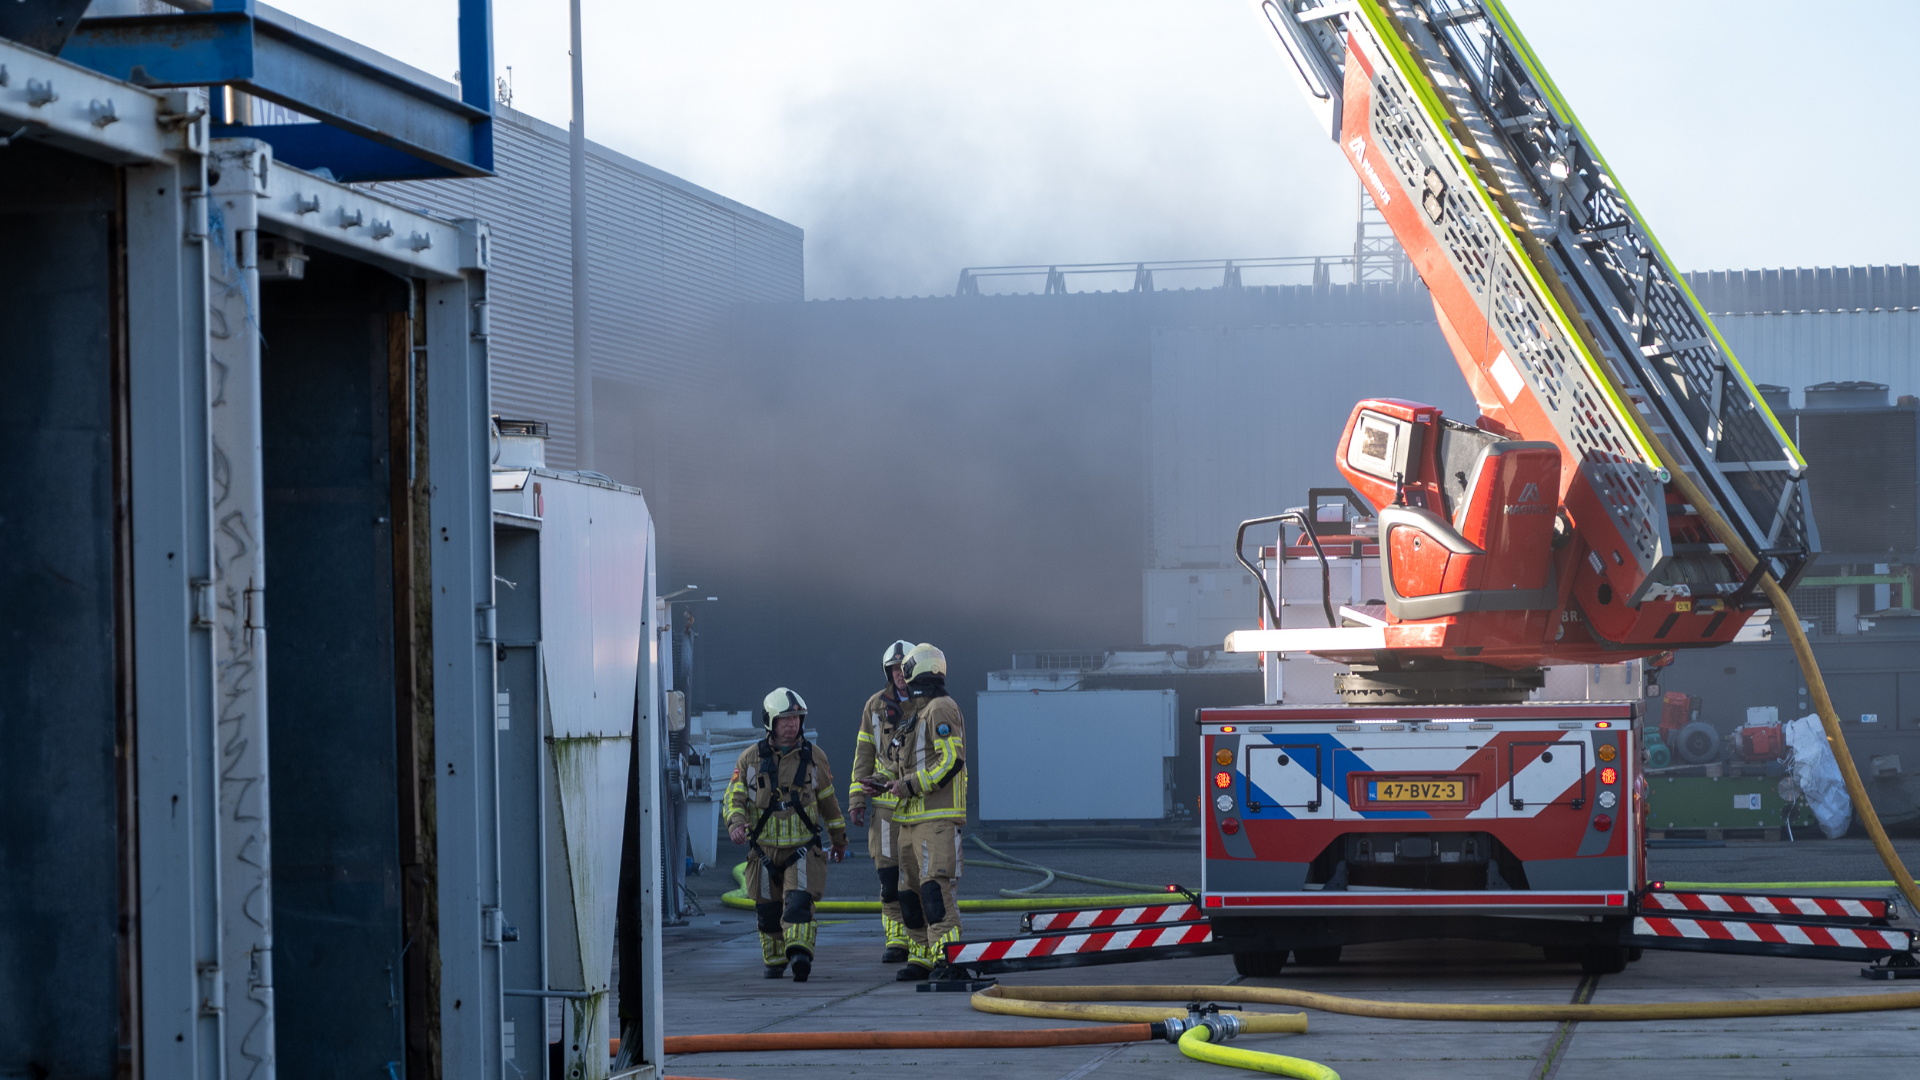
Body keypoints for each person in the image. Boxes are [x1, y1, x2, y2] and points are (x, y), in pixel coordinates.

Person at [725, 688, 848, 981]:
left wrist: (839, 839)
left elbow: (829, 803)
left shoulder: (815, 757)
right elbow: (734, 797)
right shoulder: (750, 760)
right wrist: (735, 824)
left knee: (798, 904)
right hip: (763, 852)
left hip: (803, 850)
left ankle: (800, 956)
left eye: (796, 717)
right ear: (771, 721)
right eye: (785, 718)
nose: (792, 724)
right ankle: (776, 959)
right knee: (768, 913)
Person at [872, 643, 968, 981]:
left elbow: (951, 760)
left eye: (906, 668)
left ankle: (949, 958)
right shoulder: (916, 713)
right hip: (909, 819)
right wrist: (881, 783)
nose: (902, 674)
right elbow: (901, 765)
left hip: (936, 819)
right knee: (908, 895)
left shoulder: (941, 708)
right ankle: (922, 955)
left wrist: (910, 785)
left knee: (934, 892)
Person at [849, 640, 917, 964]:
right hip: (886, 810)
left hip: (919, 808)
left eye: (904, 667)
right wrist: (856, 799)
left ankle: (920, 939)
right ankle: (896, 939)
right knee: (889, 881)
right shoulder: (874, 707)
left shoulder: (930, 705)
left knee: (916, 878)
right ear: (887, 671)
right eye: (894, 668)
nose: (899, 674)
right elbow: (863, 754)